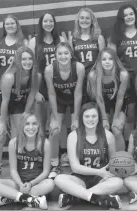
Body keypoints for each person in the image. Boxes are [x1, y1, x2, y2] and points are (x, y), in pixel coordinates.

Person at [54, 102, 123, 209]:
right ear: (81, 117)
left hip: (101, 179)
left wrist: (108, 171)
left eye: (94, 116)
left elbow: (113, 161)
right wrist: (99, 171)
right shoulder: (73, 136)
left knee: (118, 182)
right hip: (80, 178)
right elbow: (75, 168)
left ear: (99, 117)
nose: (90, 119)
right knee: (59, 179)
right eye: (87, 116)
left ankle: (76, 197)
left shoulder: (108, 136)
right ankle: (97, 198)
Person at [0, 14, 28, 170]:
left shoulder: (23, 42)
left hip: (16, 92)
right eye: (7, 24)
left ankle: (16, 166)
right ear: (4, 26)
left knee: (16, 135)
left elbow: (28, 66)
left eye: (12, 23)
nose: (10, 26)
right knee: (0, 134)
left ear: (17, 25)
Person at [0, 46, 38, 178]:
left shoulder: (35, 75)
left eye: (30, 59)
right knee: (1, 135)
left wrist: (26, 113)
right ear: (18, 61)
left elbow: (32, 95)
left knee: (18, 137)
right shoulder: (10, 77)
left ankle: (16, 169)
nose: (27, 62)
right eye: (24, 59)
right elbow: (4, 102)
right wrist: (3, 123)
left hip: (17, 103)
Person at [0, 113, 54, 209]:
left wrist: (31, 184)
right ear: (22, 126)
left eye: (34, 123)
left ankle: (12, 197)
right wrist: (20, 184)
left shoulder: (45, 143)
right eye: (27, 124)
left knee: (50, 184)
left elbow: (46, 171)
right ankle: (30, 199)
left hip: (36, 184)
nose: (31, 127)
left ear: (38, 125)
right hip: (19, 184)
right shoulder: (13, 143)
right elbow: (13, 170)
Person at [108, 4, 137, 145]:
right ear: (121, 18)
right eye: (125, 15)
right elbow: (111, 59)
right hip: (125, 79)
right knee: (130, 113)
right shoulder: (115, 36)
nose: (128, 17)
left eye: (131, 14)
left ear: (135, 16)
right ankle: (129, 145)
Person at [44, 42, 85, 178]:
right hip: (59, 100)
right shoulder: (49, 70)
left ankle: (77, 163)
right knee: (54, 130)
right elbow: (51, 94)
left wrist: (75, 118)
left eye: (66, 53)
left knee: (76, 130)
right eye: (60, 54)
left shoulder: (79, 67)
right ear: (55, 56)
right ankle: (54, 165)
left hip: (74, 100)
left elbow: (78, 93)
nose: (63, 56)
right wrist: (54, 118)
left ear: (71, 54)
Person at [28, 12, 65, 138]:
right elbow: (31, 67)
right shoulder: (34, 41)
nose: (48, 24)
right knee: (40, 122)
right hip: (41, 84)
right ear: (41, 23)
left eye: (51, 21)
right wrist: (35, 91)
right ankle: (41, 152)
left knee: (56, 121)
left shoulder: (61, 40)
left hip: (58, 83)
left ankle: (58, 151)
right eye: (45, 21)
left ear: (54, 23)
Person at [87, 48, 129, 151]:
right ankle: (104, 156)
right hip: (103, 105)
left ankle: (121, 158)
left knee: (116, 129)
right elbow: (99, 98)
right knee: (103, 129)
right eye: (104, 59)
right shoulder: (93, 75)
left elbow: (120, 98)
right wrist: (105, 118)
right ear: (99, 61)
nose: (107, 62)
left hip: (118, 105)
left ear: (115, 61)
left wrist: (115, 119)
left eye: (110, 59)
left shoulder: (123, 75)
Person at [70, 7, 106, 105]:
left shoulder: (98, 38)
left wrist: (97, 74)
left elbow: (103, 59)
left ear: (92, 21)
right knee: (81, 105)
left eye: (87, 18)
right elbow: (71, 60)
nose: (84, 21)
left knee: (96, 103)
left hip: (94, 76)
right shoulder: (73, 39)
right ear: (78, 20)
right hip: (79, 77)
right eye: (82, 18)